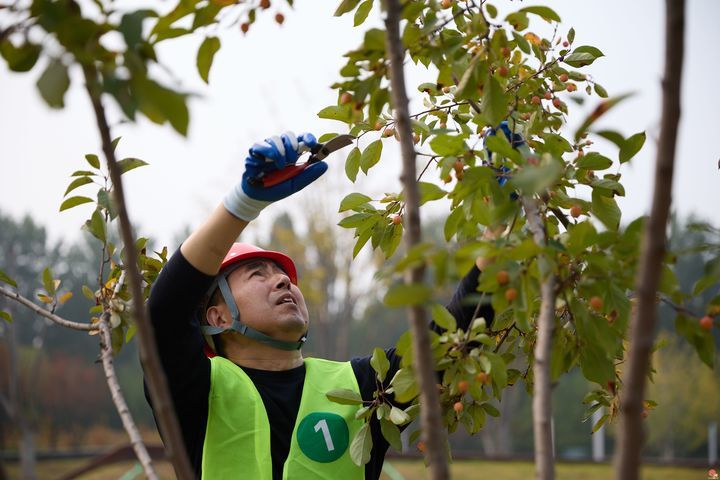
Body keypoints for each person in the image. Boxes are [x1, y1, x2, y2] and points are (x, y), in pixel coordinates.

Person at [144, 131, 495, 479]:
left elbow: (451, 343)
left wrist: (499, 230)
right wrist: (244, 203)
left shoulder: (362, 389)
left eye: (284, 276)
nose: (283, 281)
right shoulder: (195, 391)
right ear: (217, 316)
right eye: (257, 274)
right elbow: (164, 313)